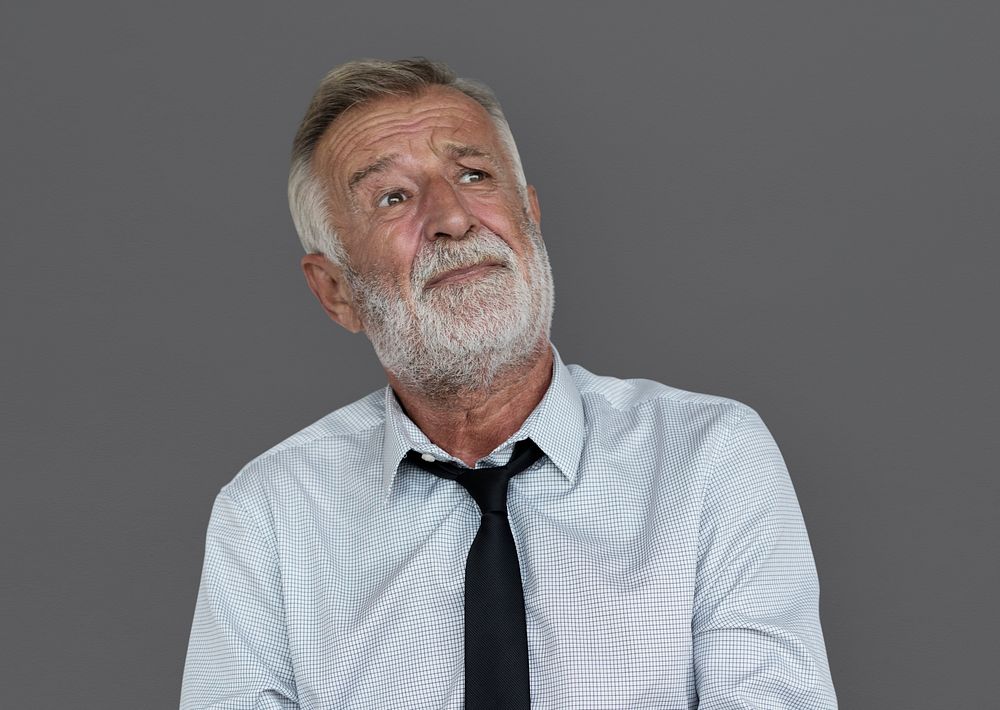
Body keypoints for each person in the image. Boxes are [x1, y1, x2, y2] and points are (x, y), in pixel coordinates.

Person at [180, 58, 837, 709]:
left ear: (530, 219)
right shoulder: (269, 514)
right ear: (335, 291)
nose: (454, 218)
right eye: (392, 197)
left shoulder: (710, 457)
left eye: (474, 175)